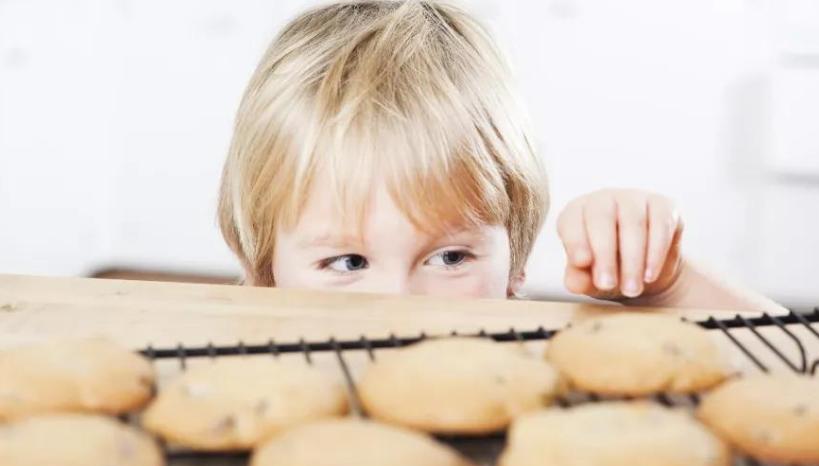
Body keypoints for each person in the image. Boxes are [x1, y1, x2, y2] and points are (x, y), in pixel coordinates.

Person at [218, 0, 775, 310]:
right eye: (349, 263)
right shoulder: (241, 371)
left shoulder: (527, 351)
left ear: (515, 257)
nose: (401, 305)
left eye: (452, 258)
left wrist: (670, 284)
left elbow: (784, 356)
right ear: (265, 270)